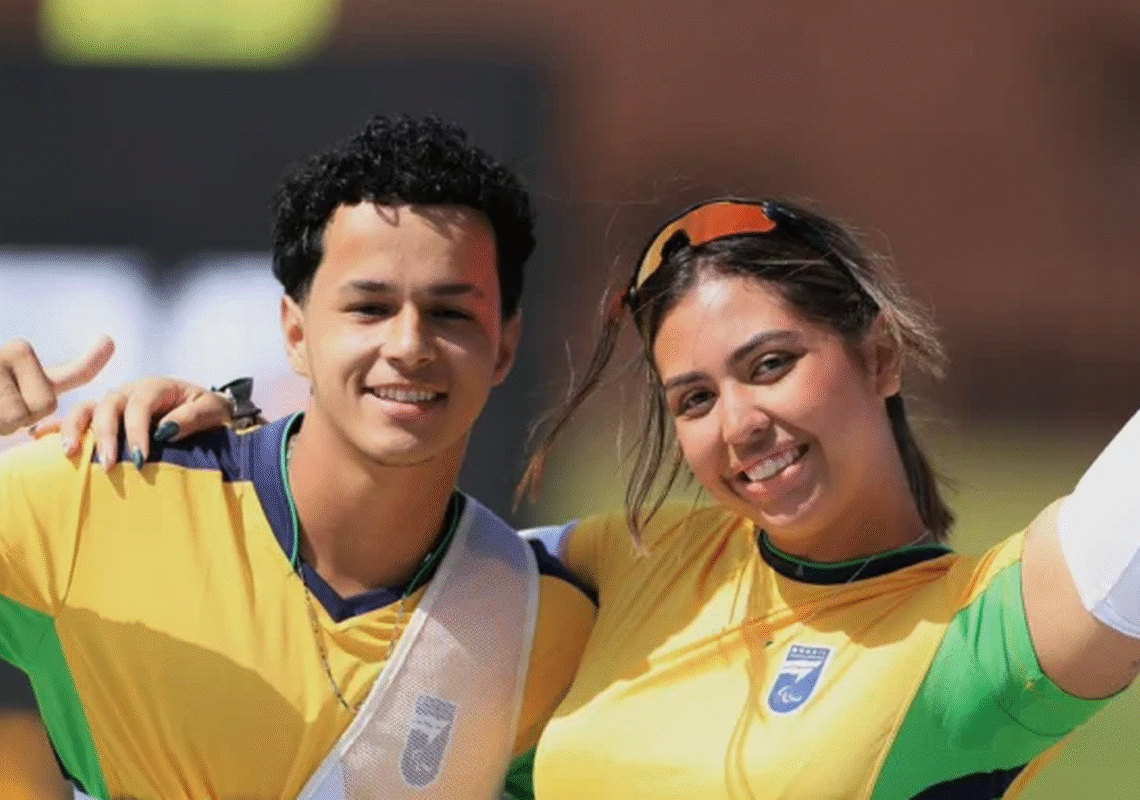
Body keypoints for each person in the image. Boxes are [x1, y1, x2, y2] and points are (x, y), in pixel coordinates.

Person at [22, 197, 1140, 799]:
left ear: (879, 355)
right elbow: (384, 555)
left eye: (771, 365)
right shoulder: (630, 563)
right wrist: (226, 432)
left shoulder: (979, 645)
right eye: (693, 397)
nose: (739, 424)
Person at [0, 115, 595, 800]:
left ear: (506, 345)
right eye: (370, 307)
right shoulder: (102, 494)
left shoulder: (542, 627)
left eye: (450, 313)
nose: (409, 345)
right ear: (294, 332)